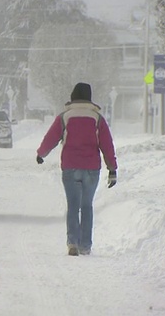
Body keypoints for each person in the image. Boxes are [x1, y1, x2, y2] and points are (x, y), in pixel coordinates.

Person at [36, 82, 118, 256]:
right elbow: (107, 145)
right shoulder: (97, 119)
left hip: (70, 167)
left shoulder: (65, 117)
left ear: (73, 96)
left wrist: (41, 154)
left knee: (73, 206)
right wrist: (112, 169)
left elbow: (51, 138)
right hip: (91, 169)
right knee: (87, 206)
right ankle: (86, 245)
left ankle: (72, 242)